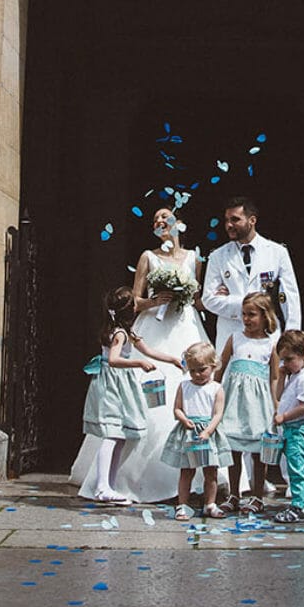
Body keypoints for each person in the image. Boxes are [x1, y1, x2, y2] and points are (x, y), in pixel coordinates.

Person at [71, 209, 210, 502]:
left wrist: (203, 299)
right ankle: (126, 477)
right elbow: (134, 301)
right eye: (156, 220)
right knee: (145, 398)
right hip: (154, 325)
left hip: (184, 327)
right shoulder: (148, 256)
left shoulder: (193, 259)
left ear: (179, 223)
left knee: (193, 388)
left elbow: (197, 299)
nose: (160, 223)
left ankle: (194, 474)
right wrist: (155, 301)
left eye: (165, 218)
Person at [80, 286, 182, 504]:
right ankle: (101, 486)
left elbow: (149, 350)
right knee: (113, 434)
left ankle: (110, 483)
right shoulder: (118, 334)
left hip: (122, 385)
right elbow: (114, 360)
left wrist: (171, 359)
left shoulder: (129, 333)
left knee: (121, 436)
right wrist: (138, 363)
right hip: (112, 386)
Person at [200, 197, 301, 347]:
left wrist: (292, 335)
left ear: (252, 220)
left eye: (235, 219)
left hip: (268, 333)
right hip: (232, 336)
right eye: (226, 220)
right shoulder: (218, 256)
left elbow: (290, 296)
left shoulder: (277, 252)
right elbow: (209, 299)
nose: (229, 225)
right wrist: (248, 305)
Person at [216, 290, 279, 513]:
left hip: (258, 404)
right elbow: (221, 367)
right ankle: (234, 494)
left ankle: (257, 496)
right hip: (235, 400)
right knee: (233, 447)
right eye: (243, 314)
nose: (246, 319)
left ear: (264, 316)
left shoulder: (271, 344)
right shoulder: (235, 338)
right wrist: (214, 394)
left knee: (257, 451)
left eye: (251, 314)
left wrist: (275, 403)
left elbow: (274, 377)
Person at [161, 341, 231, 519]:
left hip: (208, 432)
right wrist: (184, 419)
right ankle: (182, 505)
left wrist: (208, 431)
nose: (197, 374)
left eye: (202, 369)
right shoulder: (184, 386)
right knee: (187, 470)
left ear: (213, 366)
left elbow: (218, 414)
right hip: (189, 431)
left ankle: (210, 503)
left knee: (211, 471)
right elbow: (177, 408)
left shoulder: (216, 389)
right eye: (192, 370)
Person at [271, 329, 304, 524]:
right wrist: (281, 376)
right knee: (293, 466)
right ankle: (299, 503)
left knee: (298, 468)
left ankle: (299, 506)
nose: (286, 364)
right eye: (283, 360)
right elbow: (279, 395)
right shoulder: (295, 375)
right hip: (291, 429)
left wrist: (284, 416)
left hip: (299, 428)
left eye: (289, 359)